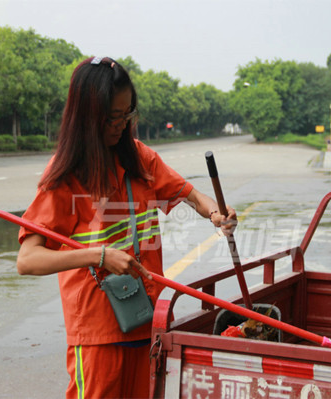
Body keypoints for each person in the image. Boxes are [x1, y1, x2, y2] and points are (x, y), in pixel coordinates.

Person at [16, 56, 237, 399]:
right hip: (97, 333)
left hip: (146, 319)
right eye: (111, 117)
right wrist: (98, 256)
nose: (120, 125)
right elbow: (27, 259)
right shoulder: (65, 178)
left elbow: (191, 196)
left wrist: (215, 213)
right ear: (86, 116)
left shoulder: (138, 158)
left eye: (126, 114)